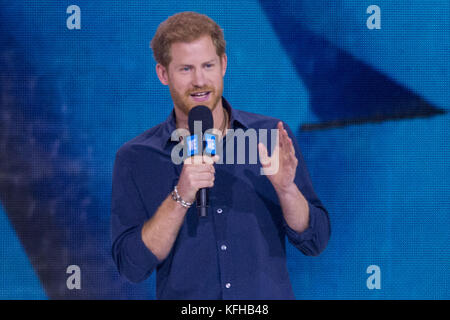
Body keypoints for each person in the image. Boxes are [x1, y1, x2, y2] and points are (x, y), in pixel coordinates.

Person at [111, 11, 330, 299]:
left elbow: (315, 241)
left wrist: (287, 191)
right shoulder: (137, 157)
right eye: (185, 69)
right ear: (163, 74)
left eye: (208, 65)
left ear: (223, 65)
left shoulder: (269, 137)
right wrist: (181, 195)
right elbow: (132, 266)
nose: (199, 80)